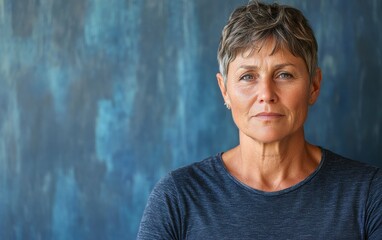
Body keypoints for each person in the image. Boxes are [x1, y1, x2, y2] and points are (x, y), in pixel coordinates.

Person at [137, 1, 382, 239]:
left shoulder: (369, 194)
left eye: (284, 74)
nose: (266, 94)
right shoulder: (178, 198)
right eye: (247, 77)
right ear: (225, 91)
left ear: (314, 86)